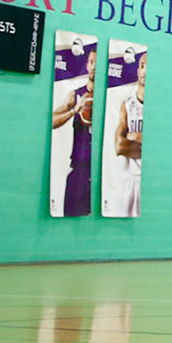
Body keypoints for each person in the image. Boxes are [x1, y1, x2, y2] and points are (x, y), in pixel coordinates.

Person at [51, 45, 96, 217]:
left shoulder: (112, 98)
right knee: (70, 217)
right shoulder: (76, 95)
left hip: (102, 170)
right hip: (79, 167)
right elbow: (52, 121)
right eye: (91, 62)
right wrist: (73, 111)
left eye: (97, 63)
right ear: (87, 65)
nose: (94, 67)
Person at [114, 53, 145, 217]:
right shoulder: (127, 105)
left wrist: (137, 137)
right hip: (129, 181)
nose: (145, 72)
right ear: (137, 71)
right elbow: (120, 147)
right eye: (142, 66)